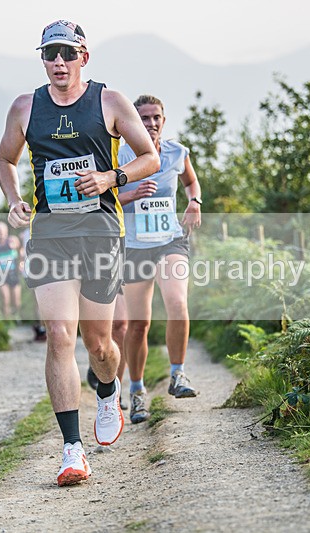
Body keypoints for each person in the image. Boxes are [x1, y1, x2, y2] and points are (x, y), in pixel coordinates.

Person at [0, 20, 159, 487]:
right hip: (50, 233)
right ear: (42, 59)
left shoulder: (109, 101)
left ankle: (107, 391)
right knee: (59, 336)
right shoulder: (25, 107)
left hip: (101, 231)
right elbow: (6, 160)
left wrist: (111, 178)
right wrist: (13, 199)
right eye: (50, 54)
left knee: (99, 344)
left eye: (68, 53)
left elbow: (148, 155)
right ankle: (72, 450)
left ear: (84, 56)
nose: (59, 62)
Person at [112, 95, 202, 425]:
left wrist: (195, 202)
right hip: (135, 246)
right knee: (138, 325)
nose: (150, 123)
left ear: (164, 119)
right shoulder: (120, 155)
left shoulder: (178, 152)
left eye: (155, 117)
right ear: (133, 121)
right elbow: (103, 195)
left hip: (170, 241)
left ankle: (178, 375)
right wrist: (130, 194)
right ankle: (136, 391)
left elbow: (190, 181)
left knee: (177, 303)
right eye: (144, 117)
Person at [0, 221, 22, 318]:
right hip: (1, 276)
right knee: (5, 299)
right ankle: (7, 321)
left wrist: (21, 263)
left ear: (6, 231)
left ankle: (17, 318)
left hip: (13, 274)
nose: (0, 234)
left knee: (16, 301)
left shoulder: (12, 240)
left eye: (2, 231)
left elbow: (21, 251)